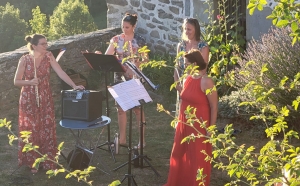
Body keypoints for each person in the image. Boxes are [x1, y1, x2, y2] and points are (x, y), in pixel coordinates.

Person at [14, 34, 85, 173]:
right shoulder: (24, 60)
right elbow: (16, 81)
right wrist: (29, 82)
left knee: (46, 127)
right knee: (31, 129)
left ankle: (47, 160)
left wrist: (74, 85)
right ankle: (32, 162)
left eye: (46, 43)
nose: (46, 46)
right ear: (34, 46)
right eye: (43, 44)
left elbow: (61, 72)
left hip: (45, 96)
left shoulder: (49, 56)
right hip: (28, 97)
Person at [165, 49, 218, 186]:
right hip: (184, 122)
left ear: (194, 63)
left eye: (186, 63)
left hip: (199, 124)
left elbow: (214, 106)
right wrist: (176, 75)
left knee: (197, 158)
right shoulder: (188, 78)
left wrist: (210, 129)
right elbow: (183, 94)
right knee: (178, 153)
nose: (184, 65)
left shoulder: (206, 82)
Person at [105, 13, 148, 148]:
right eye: (123, 27)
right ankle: (122, 139)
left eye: (127, 27)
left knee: (137, 110)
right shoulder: (116, 39)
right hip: (119, 77)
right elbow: (108, 56)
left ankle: (142, 141)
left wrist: (136, 65)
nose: (124, 30)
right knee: (120, 109)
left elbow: (146, 59)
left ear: (134, 26)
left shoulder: (140, 40)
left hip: (134, 77)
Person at [174, 18, 209, 117]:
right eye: (185, 29)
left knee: (193, 116)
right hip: (182, 85)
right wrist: (177, 83)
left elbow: (203, 69)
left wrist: (191, 85)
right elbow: (177, 66)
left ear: (196, 30)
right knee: (181, 116)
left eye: (189, 29)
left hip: (196, 86)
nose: (186, 32)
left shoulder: (203, 46)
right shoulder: (181, 45)